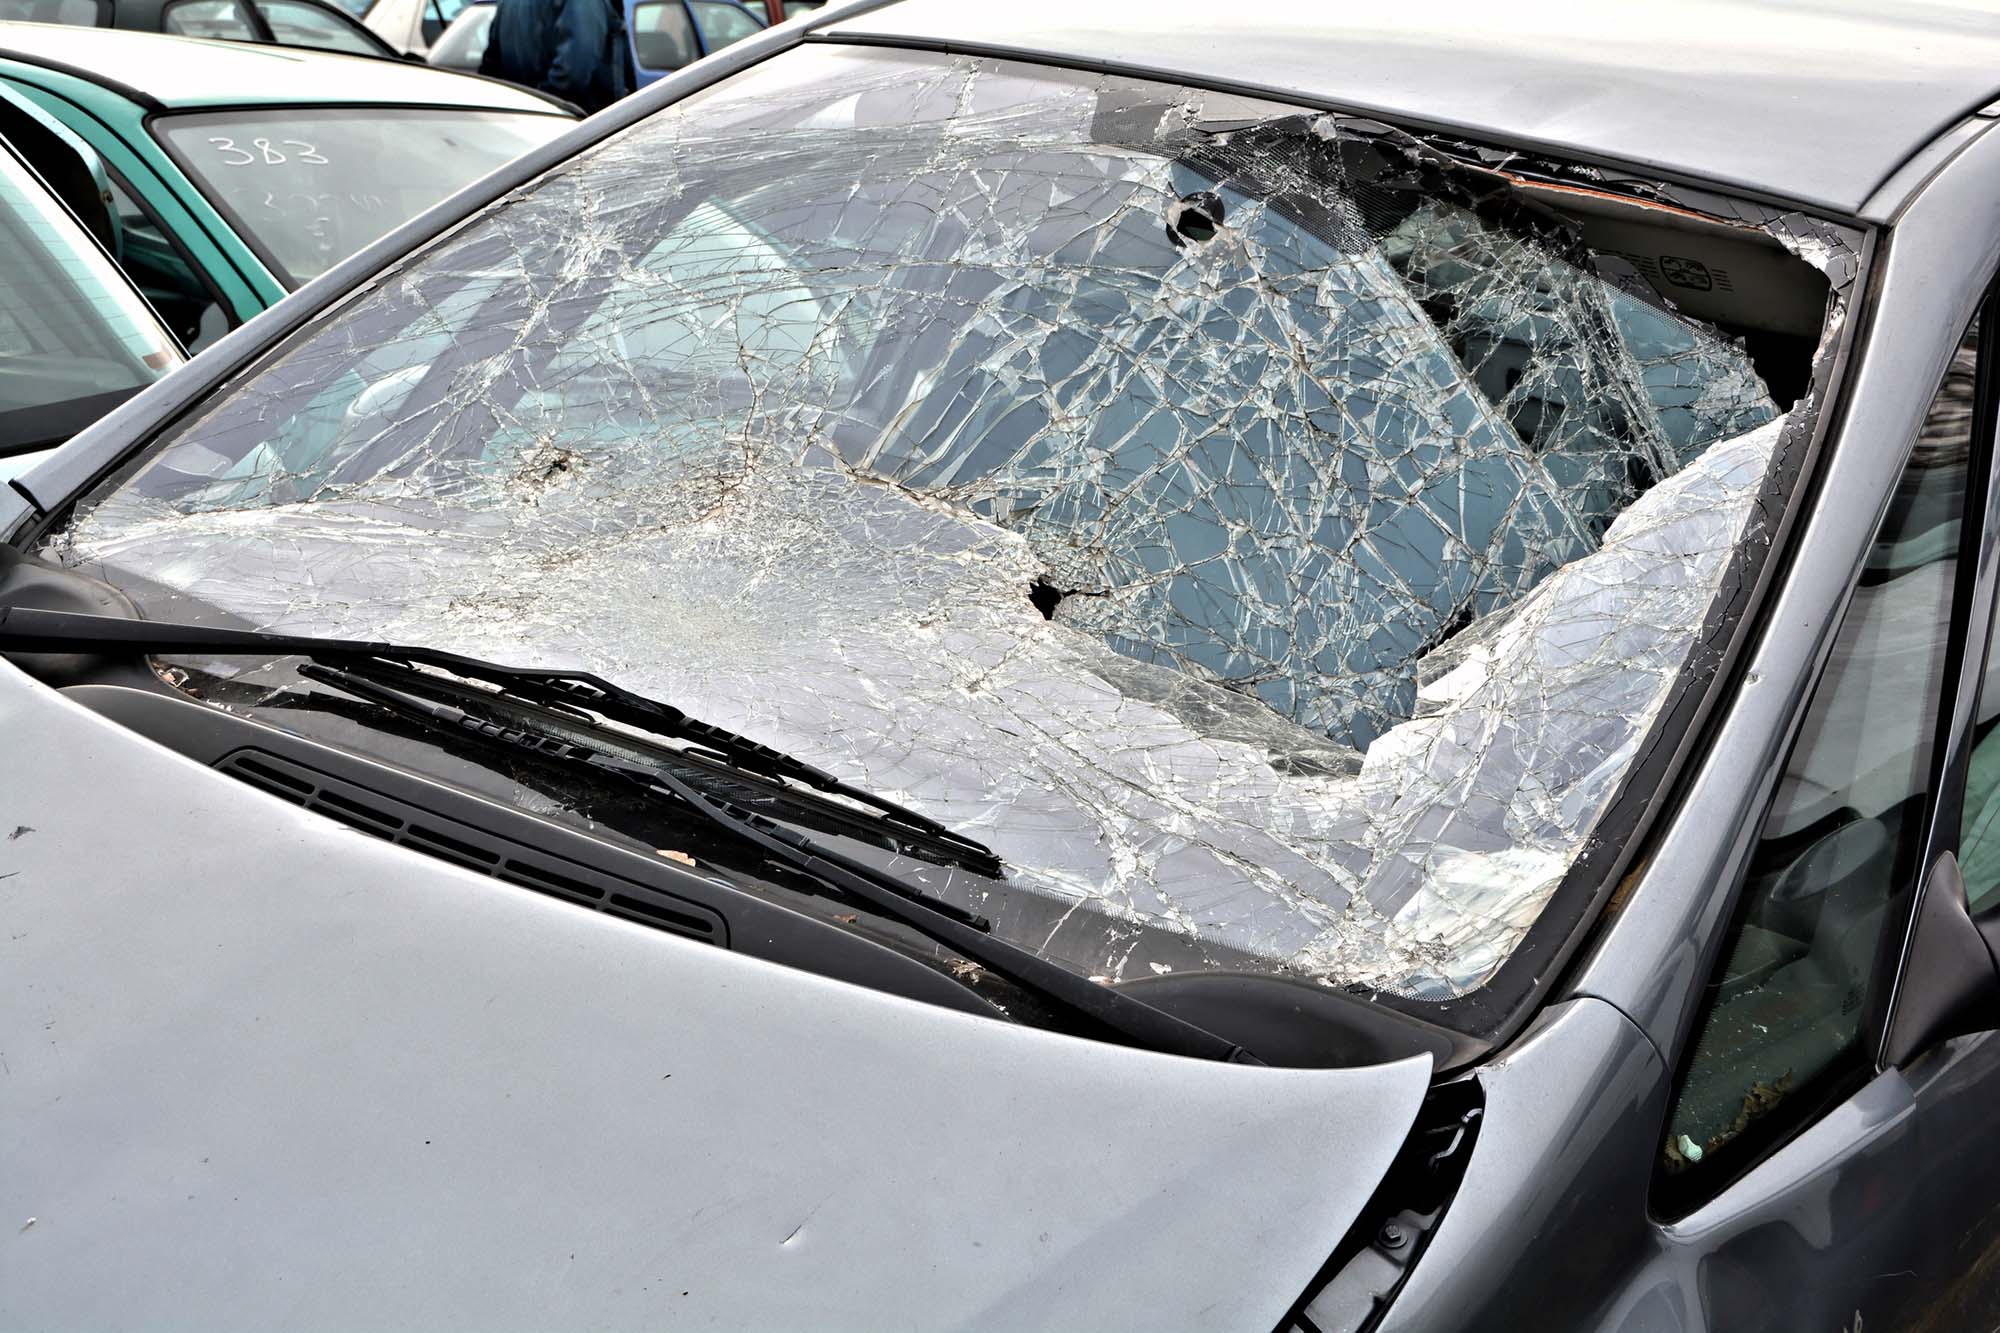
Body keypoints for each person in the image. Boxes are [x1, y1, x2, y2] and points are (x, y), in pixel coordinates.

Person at [480, 0, 634, 115]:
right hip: (576, 127)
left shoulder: (508, 3)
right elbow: (574, 71)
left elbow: (490, 67)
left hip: (522, 122)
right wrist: (542, 102)